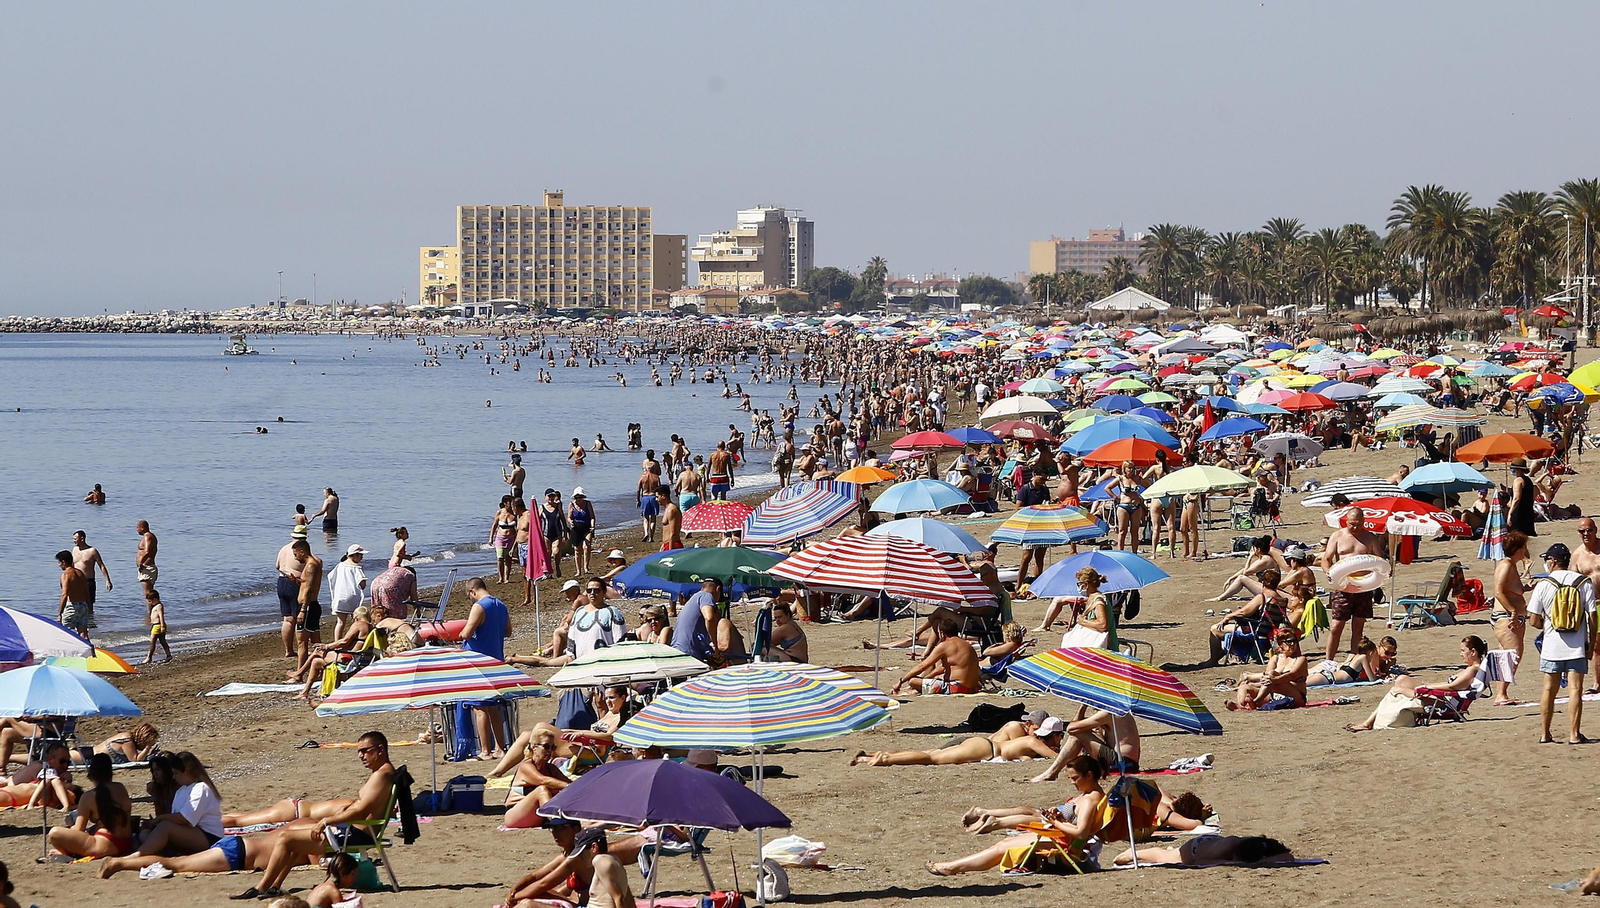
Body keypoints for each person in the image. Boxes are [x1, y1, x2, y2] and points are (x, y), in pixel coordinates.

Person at [231, 731, 396, 901]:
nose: (360, 756)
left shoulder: (381, 775)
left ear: (380, 749)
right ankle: (274, 886)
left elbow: (360, 811)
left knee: (285, 838)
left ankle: (262, 887)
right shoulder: (383, 773)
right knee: (295, 839)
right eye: (359, 751)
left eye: (365, 750)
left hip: (354, 835)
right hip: (353, 831)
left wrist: (326, 821)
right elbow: (365, 806)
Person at [925, 756, 1108, 876]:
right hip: (1059, 837)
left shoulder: (1089, 800)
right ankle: (952, 866)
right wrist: (1059, 817)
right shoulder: (1089, 794)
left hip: (1064, 844)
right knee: (1003, 844)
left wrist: (1055, 822)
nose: (1073, 783)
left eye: (1075, 778)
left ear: (1089, 775)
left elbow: (1081, 833)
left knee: (1001, 847)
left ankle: (951, 868)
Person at [1527, 543, 1597, 745]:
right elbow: (1593, 617)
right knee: (1575, 690)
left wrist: (1547, 624)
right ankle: (1574, 734)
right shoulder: (1583, 582)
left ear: (1552, 561)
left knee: (1549, 690)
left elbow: (1533, 620)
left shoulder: (1544, 584)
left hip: (1552, 645)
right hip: (1577, 646)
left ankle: (1545, 734)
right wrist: (1591, 644)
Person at [1346, 636, 1487, 732]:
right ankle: (1368, 722)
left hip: (1444, 702)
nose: (1461, 654)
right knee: (1401, 680)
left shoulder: (1472, 670)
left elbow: (1452, 687)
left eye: (1463, 651)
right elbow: (1451, 685)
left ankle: (1367, 723)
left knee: (1395, 690)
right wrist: (1428, 685)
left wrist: (1427, 687)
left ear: (1473, 652)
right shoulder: (1471, 669)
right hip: (1443, 697)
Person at [851, 717, 1065, 766]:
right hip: (986, 749)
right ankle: (884, 759)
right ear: (1054, 735)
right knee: (931, 759)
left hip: (984, 745)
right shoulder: (1034, 742)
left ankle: (871, 756)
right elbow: (1059, 758)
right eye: (1060, 737)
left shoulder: (1030, 741)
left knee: (932, 753)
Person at [1319, 507, 1387, 661]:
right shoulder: (1337, 536)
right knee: (1336, 626)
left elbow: (1380, 559)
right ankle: (1328, 661)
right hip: (1343, 586)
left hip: (1364, 587)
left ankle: (1353, 661)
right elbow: (1326, 559)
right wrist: (1328, 572)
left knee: (1358, 627)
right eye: (1351, 524)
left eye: (1358, 524)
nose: (1355, 527)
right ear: (1346, 521)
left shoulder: (1370, 538)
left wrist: (1386, 571)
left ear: (1363, 522)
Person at [134, 751, 223, 859]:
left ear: (187, 771)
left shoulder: (201, 788)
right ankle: (155, 851)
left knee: (164, 827)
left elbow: (184, 819)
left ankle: (137, 855)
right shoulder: (181, 791)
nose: (174, 777)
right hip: (190, 832)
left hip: (208, 836)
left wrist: (160, 819)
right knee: (146, 832)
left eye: (176, 773)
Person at [463, 578, 513, 759]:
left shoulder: (479, 606)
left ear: (472, 591)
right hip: (495, 659)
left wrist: (462, 633)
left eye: (469, 596)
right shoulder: (500, 605)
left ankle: (485, 751)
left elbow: (467, 633)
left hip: (478, 661)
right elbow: (508, 631)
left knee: (480, 708)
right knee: (493, 707)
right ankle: (500, 748)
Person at [47, 753, 133, 858]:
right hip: (127, 842)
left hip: (104, 845)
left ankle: (66, 852)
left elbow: (78, 829)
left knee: (55, 833)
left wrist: (69, 831)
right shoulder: (120, 788)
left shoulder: (89, 796)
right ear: (110, 772)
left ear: (91, 774)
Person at [1030, 707, 1141, 780]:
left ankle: (1051, 772)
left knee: (1079, 734)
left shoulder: (1108, 712)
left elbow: (1071, 728)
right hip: (1127, 763)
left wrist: (1082, 706)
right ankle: (1052, 772)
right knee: (1083, 732)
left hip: (1122, 763)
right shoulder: (1118, 711)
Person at [1490, 530, 1532, 704]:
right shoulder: (1506, 565)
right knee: (1513, 655)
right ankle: (1501, 695)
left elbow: (1512, 589)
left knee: (1507, 655)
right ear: (1517, 549)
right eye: (1524, 547)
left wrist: (1525, 588)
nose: (1526, 550)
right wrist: (1512, 611)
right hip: (1506, 616)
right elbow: (1498, 592)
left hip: (1512, 616)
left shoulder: (1512, 565)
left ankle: (1502, 694)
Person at [890, 617, 981, 696]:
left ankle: (909, 691)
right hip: (973, 687)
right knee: (934, 674)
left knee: (912, 681)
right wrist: (929, 677)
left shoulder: (945, 645)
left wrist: (901, 681)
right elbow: (945, 666)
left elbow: (922, 667)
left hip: (957, 688)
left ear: (942, 633)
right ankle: (913, 691)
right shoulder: (967, 645)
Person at [501, 731, 570, 828]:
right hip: (516, 814)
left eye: (553, 748)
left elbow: (570, 784)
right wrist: (569, 786)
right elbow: (544, 781)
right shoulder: (526, 766)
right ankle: (557, 823)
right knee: (542, 790)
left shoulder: (551, 769)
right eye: (546, 747)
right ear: (534, 747)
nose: (550, 751)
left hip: (538, 816)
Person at [1226, 628, 1308, 711]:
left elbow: (1292, 675)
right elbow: (1266, 679)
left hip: (1295, 696)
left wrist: (1275, 679)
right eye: (1289, 641)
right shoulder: (1276, 658)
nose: (1292, 644)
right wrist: (1253, 684)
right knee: (1244, 687)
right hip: (1274, 694)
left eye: (1294, 641)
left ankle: (1256, 702)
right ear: (1280, 644)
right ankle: (1241, 705)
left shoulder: (1300, 659)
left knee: (1272, 675)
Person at [1112, 835, 1294, 868]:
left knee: (1171, 853)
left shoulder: (1259, 845)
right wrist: (1229, 862)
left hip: (1212, 843)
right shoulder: (1228, 846)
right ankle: (1133, 853)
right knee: (1167, 857)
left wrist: (1259, 862)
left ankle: (1172, 849)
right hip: (1196, 848)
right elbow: (1200, 861)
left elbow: (1288, 857)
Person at [1060, 567, 1117, 652]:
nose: (1079, 587)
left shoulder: (1098, 601)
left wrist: (1083, 621)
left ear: (1086, 585)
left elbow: (1102, 625)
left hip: (1105, 649)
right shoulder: (1091, 598)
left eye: (1079, 584)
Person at [291, 539, 324, 676]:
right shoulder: (313, 564)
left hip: (308, 606)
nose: (295, 557)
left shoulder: (310, 565)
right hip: (312, 606)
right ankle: (322, 670)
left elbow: (309, 590)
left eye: (295, 554)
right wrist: (297, 581)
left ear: (302, 552)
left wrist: (303, 610)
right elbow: (308, 584)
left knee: (302, 643)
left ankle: (299, 675)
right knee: (316, 642)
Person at [327, 544, 369, 641]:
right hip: (352, 596)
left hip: (340, 596)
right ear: (354, 555)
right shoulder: (356, 568)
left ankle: (337, 642)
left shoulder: (339, 565)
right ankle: (352, 639)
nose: (362, 557)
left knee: (340, 622)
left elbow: (330, 576)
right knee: (356, 620)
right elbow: (362, 584)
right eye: (361, 555)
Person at [277, 533, 307, 659]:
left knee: (287, 619)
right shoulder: (301, 550)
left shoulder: (284, 548)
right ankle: (301, 647)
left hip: (281, 581)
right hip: (294, 582)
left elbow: (277, 566)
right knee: (298, 616)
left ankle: (288, 650)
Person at [70, 529, 112, 619]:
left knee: (89, 603)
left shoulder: (92, 551)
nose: (74, 541)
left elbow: (101, 565)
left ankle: (90, 621)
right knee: (75, 602)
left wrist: (107, 580)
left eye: (75, 539)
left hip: (88, 581)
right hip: (76, 581)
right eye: (73, 539)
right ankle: (78, 620)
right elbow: (71, 566)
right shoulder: (74, 550)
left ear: (82, 538)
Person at [84, 722, 160, 766]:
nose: (151, 745)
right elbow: (135, 760)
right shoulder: (127, 740)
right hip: (88, 757)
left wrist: (150, 755)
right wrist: (147, 748)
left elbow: (138, 757)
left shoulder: (129, 739)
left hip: (91, 756)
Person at [56, 550, 92, 639]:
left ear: (63, 562)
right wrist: (89, 607)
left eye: (59, 562)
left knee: (65, 633)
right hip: (83, 605)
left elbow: (65, 594)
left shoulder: (66, 575)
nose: (59, 565)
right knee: (83, 634)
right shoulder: (80, 573)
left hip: (72, 606)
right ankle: (88, 647)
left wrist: (60, 613)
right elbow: (87, 592)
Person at [492, 495, 520, 583]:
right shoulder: (500, 512)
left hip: (512, 538)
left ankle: (506, 578)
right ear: (505, 503)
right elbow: (494, 525)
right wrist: (491, 538)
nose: (512, 504)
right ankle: (501, 578)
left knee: (508, 558)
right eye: (510, 502)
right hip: (501, 537)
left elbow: (519, 527)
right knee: (500, 557)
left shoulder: (515, 513)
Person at [569, 487, 596, 574]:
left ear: (583, 497)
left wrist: (592, 526)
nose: (578, 499)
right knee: (577, 549)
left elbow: (592, 517)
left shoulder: (587, 504)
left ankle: (586, 568)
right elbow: (569, 517)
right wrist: (570, 522)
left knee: (587, 546)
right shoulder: (572, 505)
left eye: (580, 497)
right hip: (576, 528)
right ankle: (578, 571)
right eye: (576, 497)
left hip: (587, 528)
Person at [1508, 457, 1537, 536]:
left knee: (1516, 536)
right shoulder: (1528, 480)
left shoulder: (1518, 480)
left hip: (1519, 513)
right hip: (1528, 512)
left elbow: (1516, 499)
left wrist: (1510, 513)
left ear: (1517, 469)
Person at [145, 588, 172, 663]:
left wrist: (162, 625)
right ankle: (168, 654)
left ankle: (149, 657)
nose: (150, 603)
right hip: (156, 625)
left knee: (152, 641)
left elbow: (161, 616)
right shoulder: (156, 606)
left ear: (155, 599)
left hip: (158, 625)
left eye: (150, 601)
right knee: (162, 641)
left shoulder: (159, 606)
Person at [136, 520, 159, 597]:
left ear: (142, 528)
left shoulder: (147, 536)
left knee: (147, 594)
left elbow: (147, 551)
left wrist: (141, 563)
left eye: (138, 528)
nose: (137, 530)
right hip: (146, 567)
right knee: (149, 593)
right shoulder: (148, 536)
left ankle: (151, 605)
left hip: (147, 567)